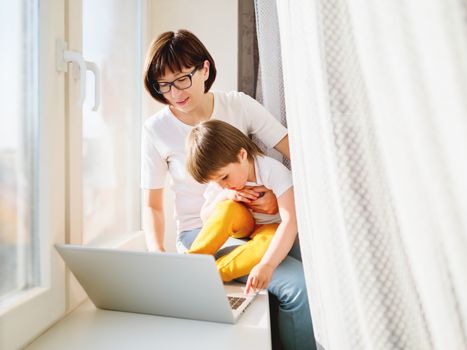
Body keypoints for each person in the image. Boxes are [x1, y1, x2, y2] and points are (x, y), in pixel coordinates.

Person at [142, 29, 316, 350]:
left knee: (316, 267)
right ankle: (187, 274)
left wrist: (277, 202)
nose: (174, 92)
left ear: (204, 69)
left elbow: (299, 155)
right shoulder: (156, 130)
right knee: (299, 287)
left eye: (181, 79)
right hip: (203, 235)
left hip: (256, 225)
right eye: (163, 85)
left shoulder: (237, 105)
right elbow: (152, 205)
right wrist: (158, 258)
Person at [186, 119, 297, 294]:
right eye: (216, 182)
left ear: (242, 155)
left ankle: (211, 275)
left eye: (224, 178)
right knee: (226, 208)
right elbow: (206, 217)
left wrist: (267, 266)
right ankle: (190, 263)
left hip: (270, 227)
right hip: (244, 223)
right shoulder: (222, 184)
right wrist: (226, 196)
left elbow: (290, 221)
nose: (222, 185)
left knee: (266, 243)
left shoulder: (272, 171)